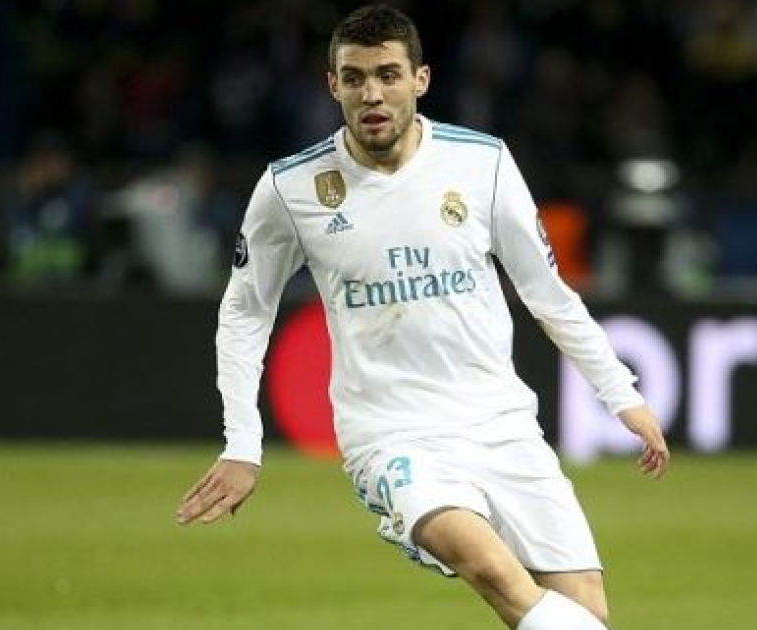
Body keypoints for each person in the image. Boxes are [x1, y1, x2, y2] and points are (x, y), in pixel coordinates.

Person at [175, 5, 670, 630]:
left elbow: (547, 292)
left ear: (421, 79)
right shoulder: (291, 189)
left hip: (501, 424)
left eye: (387, 74)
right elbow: (246, 313)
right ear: (332, 86)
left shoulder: (483, 163)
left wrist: (620, 392)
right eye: (354, 78)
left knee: (585, 612)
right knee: (490, 568)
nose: (371, 94)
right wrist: (243, 443)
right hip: (391, 436)